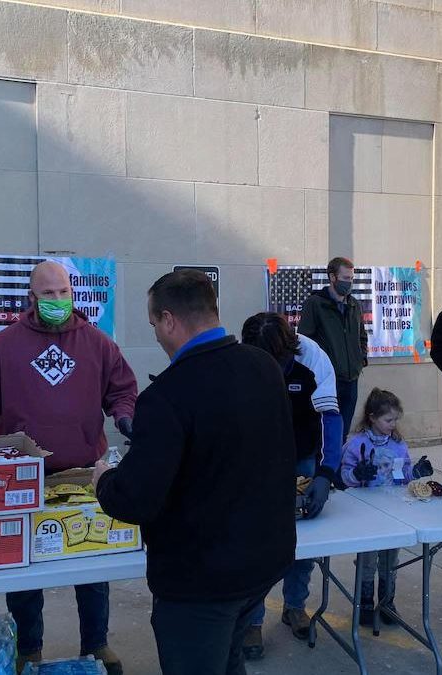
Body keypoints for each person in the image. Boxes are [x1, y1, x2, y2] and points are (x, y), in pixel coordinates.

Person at [92, 270, 297, 675]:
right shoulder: (265, 367)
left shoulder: (167, 396)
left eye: (153, 324)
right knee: (229, 659)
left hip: (202, 583)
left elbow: (137, 499)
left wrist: (104, 482)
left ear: (169, 319)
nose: (155, 335)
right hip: (264, 563)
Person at [0, 260, 136, 675]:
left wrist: (124, 415)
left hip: (84, 472)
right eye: (49, 294)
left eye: (64, 292)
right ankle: (29, 648)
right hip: (23, 476)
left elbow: (122, 389)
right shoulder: (7, 343)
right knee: (23, 563)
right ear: (31, 297)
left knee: (91, 561)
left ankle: (96, 645)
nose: (58, 300)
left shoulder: (97, 343)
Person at [238, 313, 344, 659]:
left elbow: (331, 417)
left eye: (278, 361)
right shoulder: (242, 360)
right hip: (256, 460)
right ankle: (252, 620)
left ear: (290, 348)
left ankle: (295, 606)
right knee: (255, 543)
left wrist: (326, 474)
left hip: (303, 457)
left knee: (304, 539)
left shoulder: (313, 358)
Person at [340, 388, 412, 625]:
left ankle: (387, 602)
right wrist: (356, 473)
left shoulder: (399, 444)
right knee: (368, 559)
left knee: (390, 559)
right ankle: (365, 604)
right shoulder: (355, 444)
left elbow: (406, 473)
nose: (393, 424)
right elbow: (342, 477)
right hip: (366, 512)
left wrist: (417, 473)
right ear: (372, 417)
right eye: (388, 420)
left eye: (395, 420)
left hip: (393, 510)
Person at [298, 256, 368, 438]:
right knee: (326, 432)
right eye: (346, 278)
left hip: (351, 378)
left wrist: (361, 359)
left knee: (343, 432)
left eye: (352, 278)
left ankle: (339, 465)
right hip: (326, 379)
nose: (349, 283)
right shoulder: (315, 304)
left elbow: (362, 336)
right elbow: (305, 341)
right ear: (332, 277)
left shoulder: (354, 305)